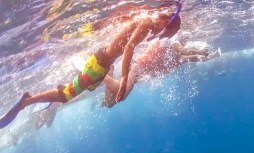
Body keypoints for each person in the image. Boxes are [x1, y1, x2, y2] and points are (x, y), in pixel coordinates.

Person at [0, 4, 182, 129]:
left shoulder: (147, 21)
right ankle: (26, 101)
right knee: (66, 95)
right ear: (166, 21)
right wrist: (125, 77)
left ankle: (60, 89)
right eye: (165, 31)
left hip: (103, 64)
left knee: (82, 90)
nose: (160, 34)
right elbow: (128, 47)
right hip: (99, 64)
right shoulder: (148, 22)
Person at [103, 40, 218, 108]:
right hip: (138, 67)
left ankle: (108, 70)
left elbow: (191, 57)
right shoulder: (170, 40)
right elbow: (185, 51)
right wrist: (201, 51)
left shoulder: (174, 59)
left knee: (109, 102)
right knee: (121, 94)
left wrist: (210, 56)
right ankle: (102, 73)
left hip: (141, 74)